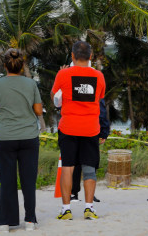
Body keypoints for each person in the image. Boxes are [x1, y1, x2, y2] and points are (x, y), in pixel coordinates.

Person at [0, 48, 43, 232]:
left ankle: (5, 222)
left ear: (4, 65)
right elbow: (37, 110)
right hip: (28, 136)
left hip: (5, 137)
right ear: (22, 66)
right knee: (29, 180)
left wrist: (3, 109)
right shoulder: (31, 84)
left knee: (7, 180)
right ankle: (30, 220)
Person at [51, 41, 106, 220]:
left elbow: (54, 96)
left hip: (68, 127)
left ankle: (66, 209)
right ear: (90, 57)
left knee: (67, 167)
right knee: (89, 167)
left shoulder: (63, 73)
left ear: (72, 56)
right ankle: (89, 207)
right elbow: (100, 97)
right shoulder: (99, 76)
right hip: (90, 127)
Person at [70, 98, 110, 203]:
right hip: (90, 128)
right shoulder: (94, 88)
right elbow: (101, 112)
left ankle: (74, 193)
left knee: (75, 162)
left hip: (73, 127)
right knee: (91, 162)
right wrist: (104, 132)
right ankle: (88, 194)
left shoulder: (72, 86)